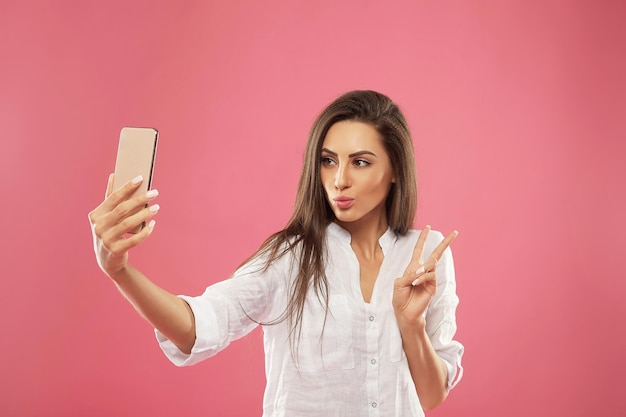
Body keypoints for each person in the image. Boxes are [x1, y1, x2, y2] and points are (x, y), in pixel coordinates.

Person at [89, 90, 464, 416]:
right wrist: (120, 270)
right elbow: (198, 326)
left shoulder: (427, 256)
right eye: (328, 160)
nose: (339, 179)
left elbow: (432, 395)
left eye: (360, 162)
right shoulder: (290, 257)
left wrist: (411, 325)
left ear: (396, 169)